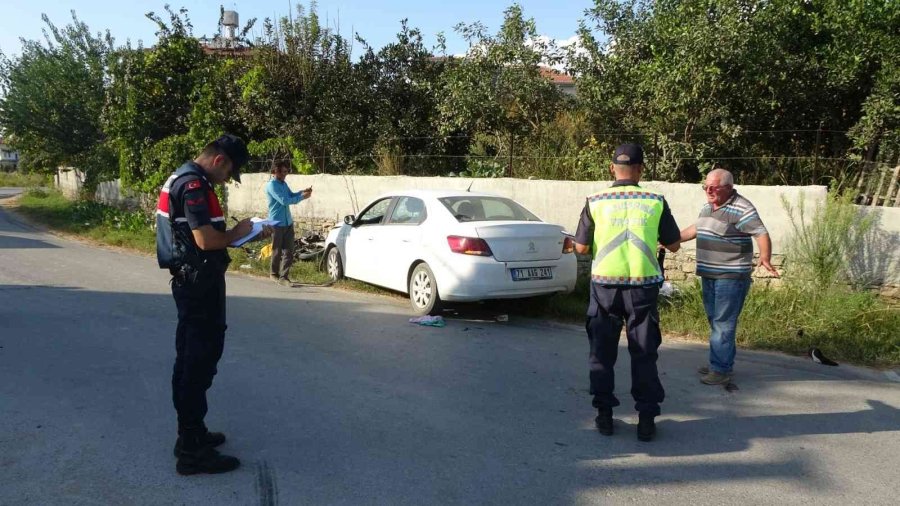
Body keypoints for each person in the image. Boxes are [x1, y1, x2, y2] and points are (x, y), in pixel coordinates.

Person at [155, 134, 272, 475]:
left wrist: (242, 234)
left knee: (191, 360)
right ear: (220, 160)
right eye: (230, 172)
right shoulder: (193, 185)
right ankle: (191, 451)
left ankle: (191, 433)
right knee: (198, 363)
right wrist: (238, 231)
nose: (227, 180)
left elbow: (201, 238)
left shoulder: (183, 177)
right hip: (198, 287)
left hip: (194, 282)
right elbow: (206, 240)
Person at [574, 143, 681, 442]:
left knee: (602, 354)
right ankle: (646, 420)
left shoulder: (595, 201)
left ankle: (604, 416)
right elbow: (674, 244)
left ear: (612, 168)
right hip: (643, 288)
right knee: (644, 354)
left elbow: (581, 248)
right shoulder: (655, 201)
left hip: (605, 288)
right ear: (640, 170)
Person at [679, 167, 778, 385]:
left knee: (723, 322)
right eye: (706, 187)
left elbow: (760, 232)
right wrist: (672, 239)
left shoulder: (742, 207)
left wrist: (765, 256)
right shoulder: (708, 207)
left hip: (731, 275)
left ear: (729, 188)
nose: (708, 191)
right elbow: (696, 229)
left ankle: (720, 369)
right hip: (709, 273)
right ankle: (721, 362)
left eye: (714, 187)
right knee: (715, 319)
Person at [265, 159, 312, 286]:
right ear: (276, 172)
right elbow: (284, 201)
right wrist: (302, 197)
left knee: (289, 251)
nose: (285, 174)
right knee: (277, 250)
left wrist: (302, 192)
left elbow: (291, 195)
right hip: (276, 223)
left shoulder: (283, 184)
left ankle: (284, 277)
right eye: (283, 172)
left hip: (288, 222)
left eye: (286, 171)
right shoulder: (272, 185)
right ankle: (274, 273)